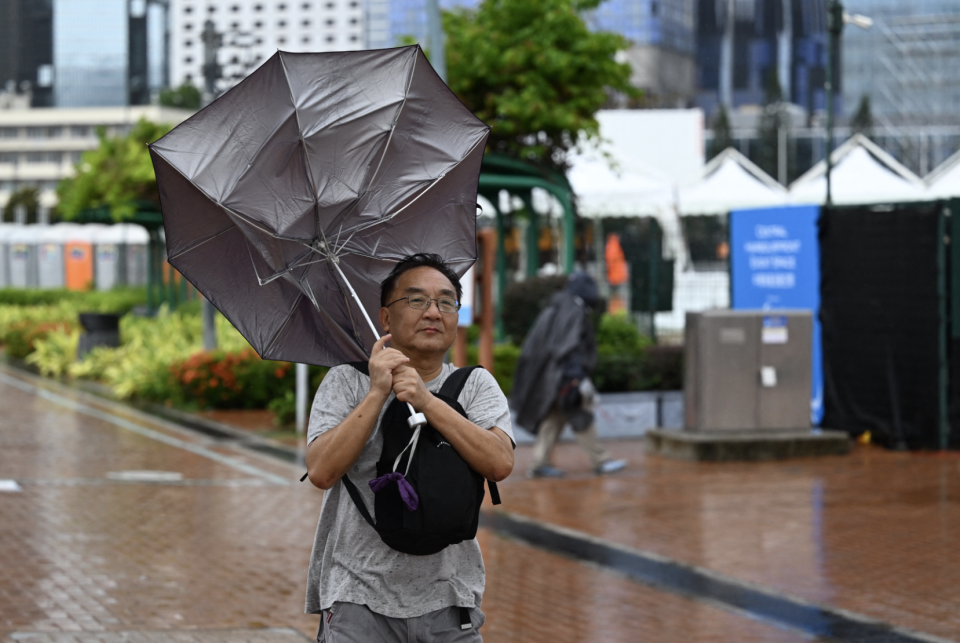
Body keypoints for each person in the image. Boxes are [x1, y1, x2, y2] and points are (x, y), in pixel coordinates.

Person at [304, 253, 515, 642]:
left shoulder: (476, 385)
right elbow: (321, 471)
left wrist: (428, 401)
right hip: (357, 600)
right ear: (385, 318)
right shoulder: (346, 382)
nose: (433, 312)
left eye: (446, 302)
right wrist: (376, 392)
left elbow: (500, 463)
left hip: (450, 600)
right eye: (416, 300)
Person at [510, 272, 626, 478]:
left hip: (552, 377)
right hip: (563, 377)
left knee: (554, 418)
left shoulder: (557, 307)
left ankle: (538, 464)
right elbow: (568, 346)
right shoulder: (574, 311)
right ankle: (601, 460)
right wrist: (576, 376)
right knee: (580, 415)